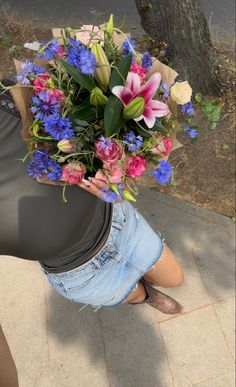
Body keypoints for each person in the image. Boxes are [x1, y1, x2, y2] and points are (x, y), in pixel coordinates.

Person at [0, 88, 184, 314]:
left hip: (116, 222)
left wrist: (119, 166)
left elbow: (93, 115)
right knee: (134, 293)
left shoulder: (11, 96)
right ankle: (146, 296)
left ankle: (141, 288)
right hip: (78, 273)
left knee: (174, 279)